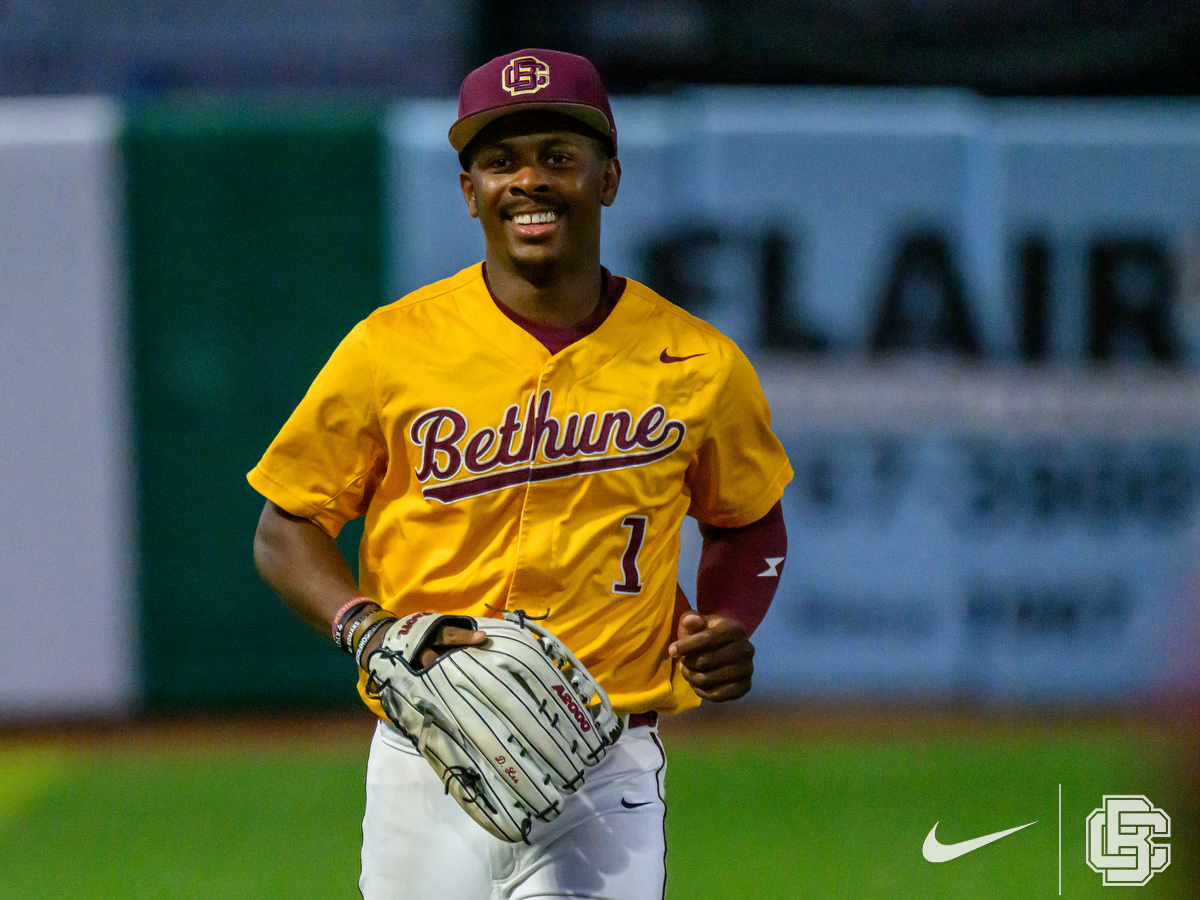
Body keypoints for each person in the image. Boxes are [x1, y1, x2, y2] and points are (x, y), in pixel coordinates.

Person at [249, 48, 793, 900]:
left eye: (558, 157)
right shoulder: (390, 348)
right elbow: (285, 527)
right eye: (501, 161)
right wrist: (363, 626)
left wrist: (727, 621)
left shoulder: (698, 361)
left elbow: (749, 519)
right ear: (470, 191)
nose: (529, 180)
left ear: (608, 179)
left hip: (604, 761)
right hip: (425, 758)